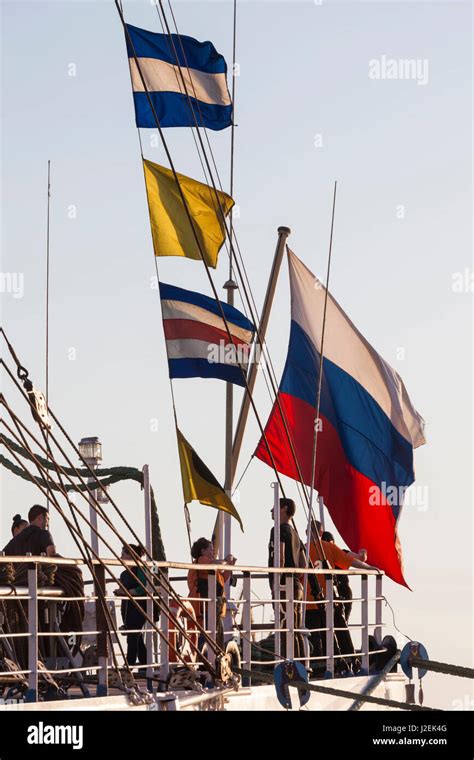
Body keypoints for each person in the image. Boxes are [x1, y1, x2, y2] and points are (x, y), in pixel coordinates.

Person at [306, 521, 380, 675]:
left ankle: (318, 666)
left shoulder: (302, 549)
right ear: (321, 533)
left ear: (307, 532)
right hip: (328, 600)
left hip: (307, 602)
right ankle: (346, 662)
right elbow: (352, 561)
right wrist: (370, 568)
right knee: (337, 631)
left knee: (314, 636)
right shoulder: (329, 548)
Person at [267, 498, 306, 660]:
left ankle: (288, 666)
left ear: (284, 508)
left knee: (285, 630)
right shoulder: (296, 533)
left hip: (284, 585)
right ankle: (301, 664)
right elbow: (304, 564)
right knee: (295, 630)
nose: (271, 511)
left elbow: (280, 557)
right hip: (297, 586)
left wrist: (277, 583)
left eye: (274, 507)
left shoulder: (278, 530)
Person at [187, 537, 235, 649]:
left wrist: (229, 566)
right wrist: (226, 560)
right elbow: (216, 563)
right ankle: (200, 656)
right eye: (211, 549)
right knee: (207, 633)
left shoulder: (212, 565)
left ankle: (214, 659)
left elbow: (222, 579)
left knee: (216, 633)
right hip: (204, 606)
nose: (213, 552)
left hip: (214, 605)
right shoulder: (201, 561)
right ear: (203, 551)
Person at [116, 543, 148, 669]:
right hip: (127, 608)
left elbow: (143, 588)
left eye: (123, 554)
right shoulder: (124, 574)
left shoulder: (141, 569)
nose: (120, 557)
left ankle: (129, 665)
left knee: (133, 635)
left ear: (131, 556)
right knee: (137, 637)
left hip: (139, 607)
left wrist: (126, 592)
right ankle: (145, 665)